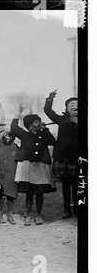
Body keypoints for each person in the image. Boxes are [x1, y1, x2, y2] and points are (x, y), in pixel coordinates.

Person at [11, 112, 57, 226]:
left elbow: (52, 141)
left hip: (41, 166)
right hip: (28, 165)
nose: (39, 123)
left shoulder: (44, 134)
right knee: (29, 192)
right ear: (30, 125)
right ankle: (27, 214)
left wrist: (45, 129)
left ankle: (38, 214)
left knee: (39, 192)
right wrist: (16, 117)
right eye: (36, 122)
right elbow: (14, 128)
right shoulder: (24, 134)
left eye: (39, 121)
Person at [44, 90, 78, 218]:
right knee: (66, 184)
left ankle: (76, 208)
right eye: (72, 105)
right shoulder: (61, 119)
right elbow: (48, 111)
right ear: (67, 108)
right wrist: (50, 99)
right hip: (62, 156)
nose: (75, 107)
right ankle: (66, 209)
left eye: (77, 105)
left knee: (77, 184)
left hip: (77, 157)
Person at [0, 131, 18, 225]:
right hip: (1, 173)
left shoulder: (16, 147)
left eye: (10, 137)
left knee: (11, 195)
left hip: (12, 174)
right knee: (0, 195)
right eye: (5, 137)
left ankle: (9, 214)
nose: (7, 139)